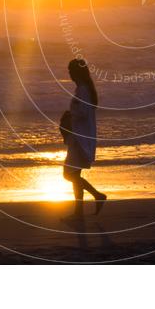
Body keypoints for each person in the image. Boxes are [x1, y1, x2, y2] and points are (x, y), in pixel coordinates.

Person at [60, 58, 106, 221]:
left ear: (76, 72)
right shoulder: (82, 89)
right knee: (73, 174)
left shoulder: (83, 90)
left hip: (80, 137)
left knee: (69, 174)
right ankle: (79, 212)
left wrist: (69, 115)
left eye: (71, 71)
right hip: (79, 135)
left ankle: (97, 195)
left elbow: (83, 113)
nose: (69, 74)